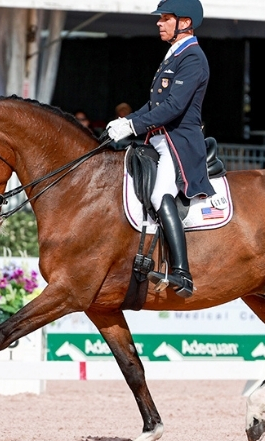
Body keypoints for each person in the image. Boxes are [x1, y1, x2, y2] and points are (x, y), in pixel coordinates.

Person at [105, 0, 211, 299]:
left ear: (185, 22)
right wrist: (126, 121)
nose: (159, 23)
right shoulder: (174, 55)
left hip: (179, 143)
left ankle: (182, 272)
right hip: (159, 140)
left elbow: (174, 107)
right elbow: (154, 105)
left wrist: (133, 126)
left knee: (159, 194)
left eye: (165, 18)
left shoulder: (193, 57)